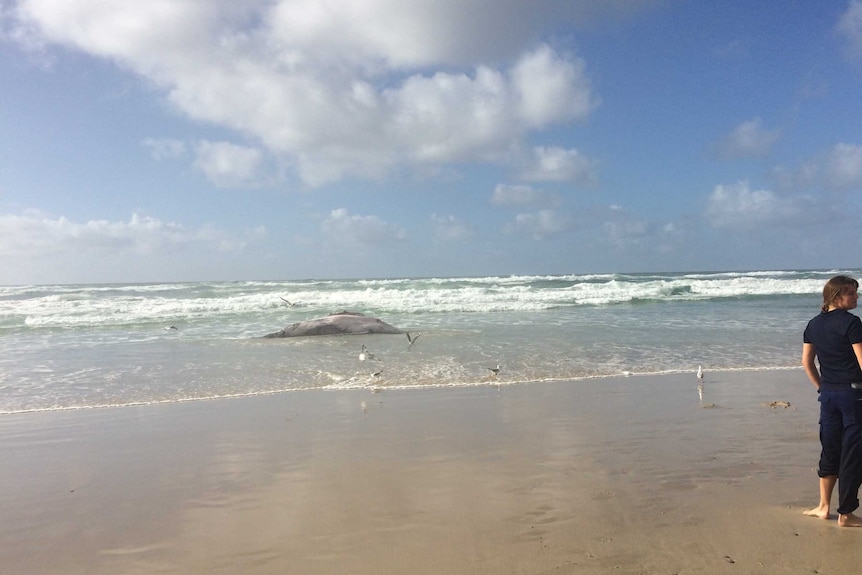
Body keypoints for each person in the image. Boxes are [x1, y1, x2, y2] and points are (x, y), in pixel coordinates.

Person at [802, 275, 862, 527]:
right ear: (836, 296)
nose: (856, 297)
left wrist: (822, 388)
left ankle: (823, 506)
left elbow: (807, 363)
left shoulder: (813, 324)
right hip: (854, 395)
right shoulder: (852, 323)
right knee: (852, 454)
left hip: (828, 396)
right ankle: (846, 514)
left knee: (830, 449)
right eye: (852, 293)